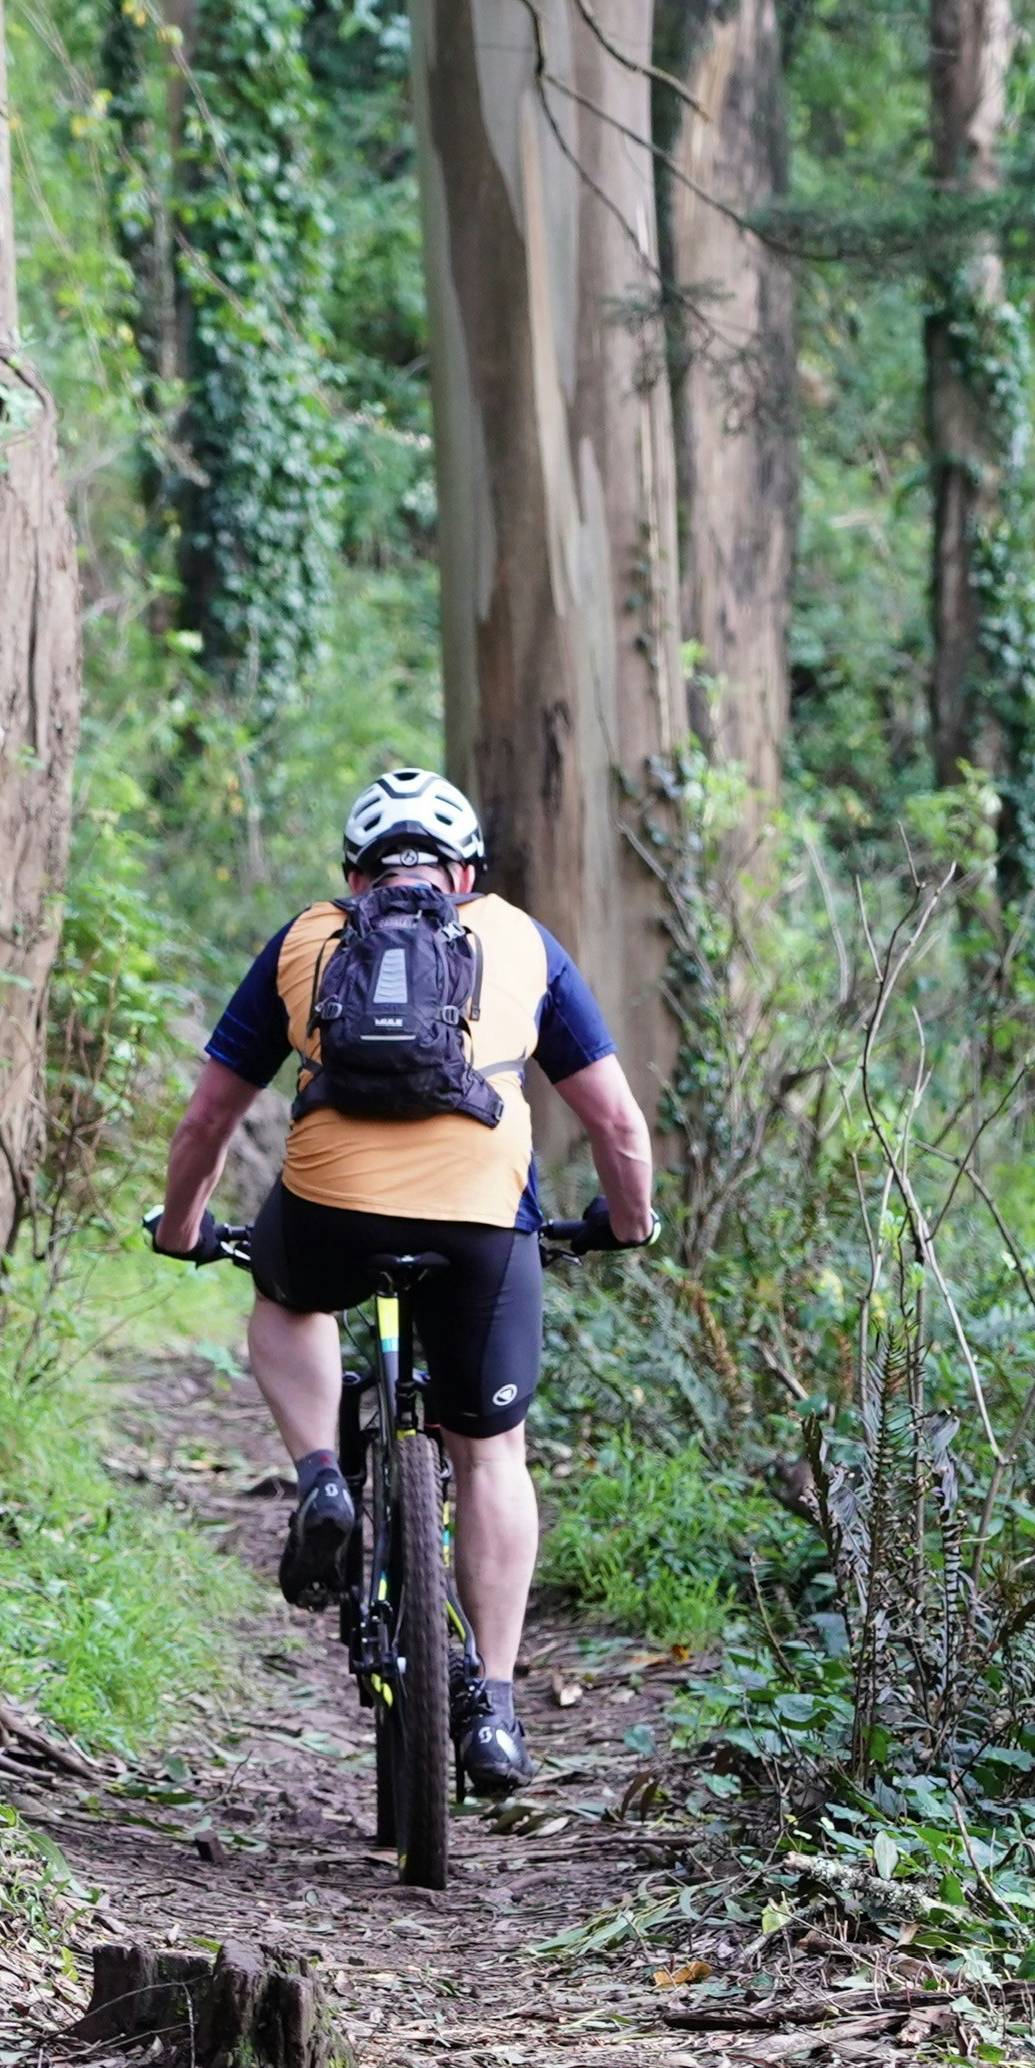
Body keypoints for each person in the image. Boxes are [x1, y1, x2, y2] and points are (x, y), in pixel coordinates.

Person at [149, 767, 659, 1801]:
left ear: (356, 876)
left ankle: (321, 1479)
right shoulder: (522, 941)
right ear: (466, 873)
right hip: (482, 1225)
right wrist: (628, 1220)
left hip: (331, 1211)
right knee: (492, 1450)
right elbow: (615, 1121)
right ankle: (496, 1707)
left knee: (286, 1295)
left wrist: (183, 1227)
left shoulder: (307, 938)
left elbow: (207, 1118)